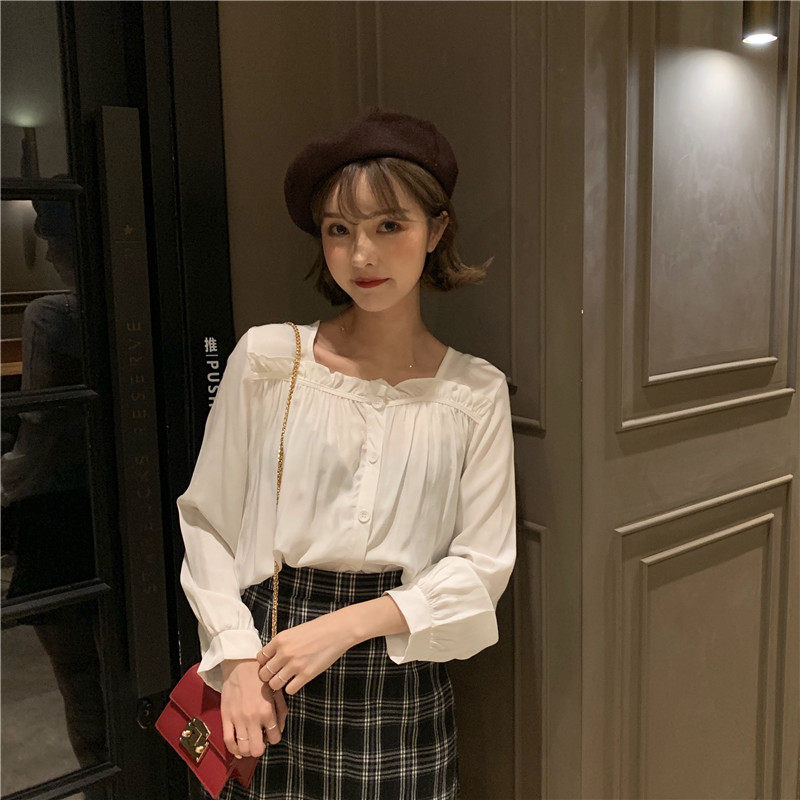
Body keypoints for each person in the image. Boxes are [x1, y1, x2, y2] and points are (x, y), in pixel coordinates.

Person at [176, 106, 517, 800]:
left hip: (401, 678)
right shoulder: (270, 360)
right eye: (339, 229)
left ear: (436, 230)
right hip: (269, 670)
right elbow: (208, 519)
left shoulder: (474, 393)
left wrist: (346, 626)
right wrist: (235, 660)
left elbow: (483, 568)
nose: (362, 255)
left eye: (389, 225)